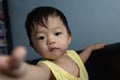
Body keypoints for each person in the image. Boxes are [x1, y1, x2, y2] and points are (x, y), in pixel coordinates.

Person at [0, 6, 105, 80]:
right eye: (41, 37)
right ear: (34, 47)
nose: (51, 41)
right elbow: (36, 74)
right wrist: (22, 73)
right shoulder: (46, 68)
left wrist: (90, 48)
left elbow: (80, 60)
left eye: (57, 33)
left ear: (68, 37)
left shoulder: (73, 55)